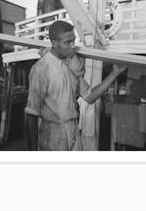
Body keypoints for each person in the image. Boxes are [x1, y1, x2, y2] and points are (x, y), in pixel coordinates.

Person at [24, 20, 126, 151]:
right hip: (53, 133)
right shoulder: (41, 69)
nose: (73, 46)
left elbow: (90, 96)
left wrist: (114, 73)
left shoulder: (70, 66)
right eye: (67, 42)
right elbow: (31, 114)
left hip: (73, 130)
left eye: (73, 40)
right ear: (54, 43)